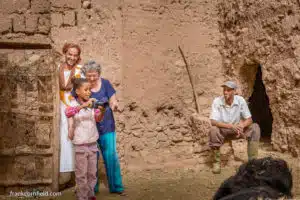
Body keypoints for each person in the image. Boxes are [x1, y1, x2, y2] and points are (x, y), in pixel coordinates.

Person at [67, 60, 125, 195]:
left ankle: (116, 187)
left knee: (111, 155)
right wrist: (71, 127)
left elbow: (113, 100)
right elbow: (71, 106)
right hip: (88, 127)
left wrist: (115, 105)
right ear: (84, 75)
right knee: (91, 160)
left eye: (95, 75)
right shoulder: (82, 86)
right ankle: (91, 189)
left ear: (99, 74)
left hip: (106, 125)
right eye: (89, 75)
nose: (92, 78)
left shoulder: (105, 84)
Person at [65, 78, 105, 200]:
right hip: (81, 145)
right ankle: (82, 196)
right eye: (86, 90)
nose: (89, 92)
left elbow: (98, 119)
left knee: (92, 173)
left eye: (90, 90)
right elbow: (68, 113)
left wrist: (102, 111)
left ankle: (90, 194)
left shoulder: (92, 105)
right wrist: (83, 106)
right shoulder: (73, 105)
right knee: (81, 174)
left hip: (92, 143)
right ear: (77, 91)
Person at [209, 81, 261, 174]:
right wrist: (230, 126)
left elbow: (249, 119)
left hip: (238, 130)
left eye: (228, 90)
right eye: (224, 90)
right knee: (213, 130)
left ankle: (252, 163)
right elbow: (213, 121)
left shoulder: (240, 100)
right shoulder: (217, 101)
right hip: (223, 130)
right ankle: (216, 163)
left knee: (255, 127)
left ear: (234, 91)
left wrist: (242, 126)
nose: (225, 92)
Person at [58, 43, 84, 182]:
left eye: (75, 55)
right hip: (62, 107)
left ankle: (78, 175)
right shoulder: (58, 68)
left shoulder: (80, 70)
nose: (72, 57)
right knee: (65, 139)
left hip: (75, 108)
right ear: (65, 53)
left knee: (76, 137)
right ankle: (66, 174)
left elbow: (84, 90)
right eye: (70, 54)